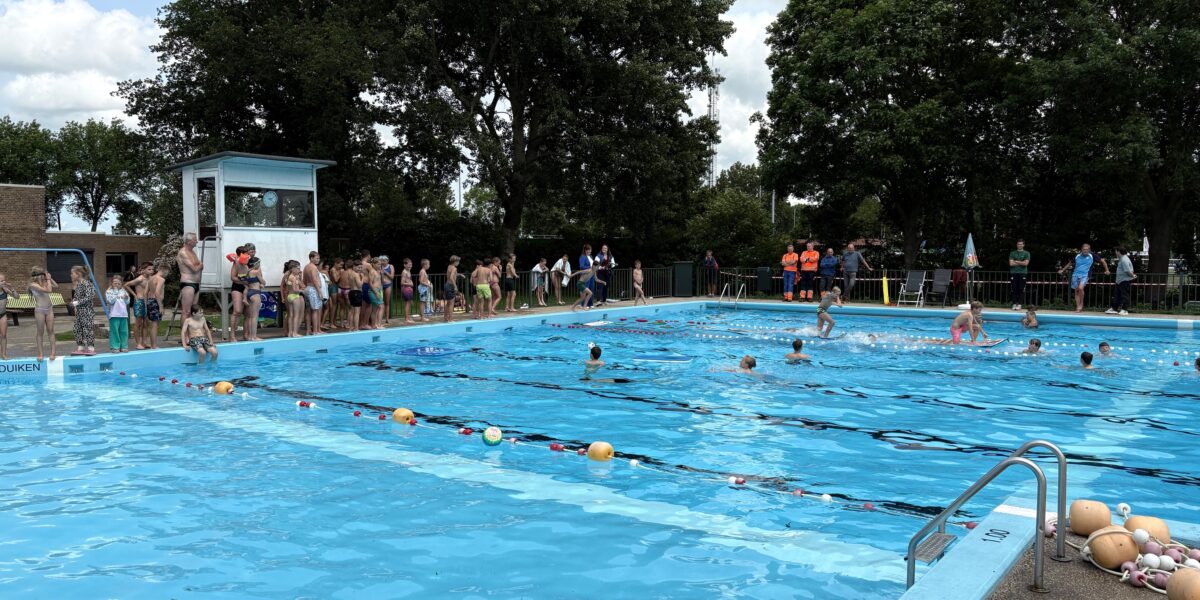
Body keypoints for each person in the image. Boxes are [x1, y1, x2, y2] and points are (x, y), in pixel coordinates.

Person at [1058, 243, 1110, 313]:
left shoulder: (1092, 255)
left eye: (1087, 249)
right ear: (1081, 250)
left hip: (1085, 275)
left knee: (1080, 288)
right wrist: (1063, 270)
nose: (1085, 251)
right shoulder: (1077, 256)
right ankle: (1078, 307)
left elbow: (1103, 261)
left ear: (1089, 250)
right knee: (1076, 291)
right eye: (1084, 249)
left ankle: (1081, 304)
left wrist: (1106, 270)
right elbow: (1070, 263)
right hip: (1075, 274)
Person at [29, 267, 57, 361]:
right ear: (38, 276)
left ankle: (53, 353)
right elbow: (49, 290)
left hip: (49, 309)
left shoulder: (46, 282)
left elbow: (56, 286)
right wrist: (48, 279)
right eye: (43, 275)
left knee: (51, 331)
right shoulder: (33, 285)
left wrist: (50, 278)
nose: (44, 277)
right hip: (40, 310)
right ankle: (40, 353)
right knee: (40, 332)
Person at [68, 265, 97, 355]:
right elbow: (77, 297)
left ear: (78, 274)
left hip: (87, 311)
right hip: (80, 311)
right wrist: (73, 302)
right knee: (77, 329)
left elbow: (90, 296)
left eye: (72, 273)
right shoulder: (79, 284)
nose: (70, 275)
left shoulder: (86, 283)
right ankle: (80, 347)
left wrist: (76, 303)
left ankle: (91, 348)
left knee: (87, 329)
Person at [124, 262, 152, 350]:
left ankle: (144, 342)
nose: (151, 271)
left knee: (146, 324)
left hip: (147, 302)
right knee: (138, 324)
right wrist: (134, 295)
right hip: (139, 301)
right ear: (143, 270)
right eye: (149, 269)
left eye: (152, 269)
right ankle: (138, 343)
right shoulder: (140, 279)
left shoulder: (151, 278)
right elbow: (126, 285)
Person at [177, 232, 203, 322]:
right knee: (186, 311)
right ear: (189, 241)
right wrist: (200, 265)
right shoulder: (183, 253)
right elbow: (194, 269)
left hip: (196, 283)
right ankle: (184, 335)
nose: (196, 241)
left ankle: (191, 333)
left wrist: (199, 266)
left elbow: (198, 265)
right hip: (188, 283)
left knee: (193, 311)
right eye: (195, 240)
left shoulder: (192, 252)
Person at [105, 275, 131, 353]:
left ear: (121, 284)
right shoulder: (109, 291)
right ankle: (115, 346)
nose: (116, 285)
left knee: (124, 331)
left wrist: (127, 298)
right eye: (115, 283)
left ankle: (124, 346)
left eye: (118, 283)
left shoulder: (123, 291)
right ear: (112, 283)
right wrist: (116, 292)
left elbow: (127, 302)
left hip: (123, 314)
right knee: (114, 331)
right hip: (114, 315)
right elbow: (111, 301)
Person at [1107, 246, 1136, 316]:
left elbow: (1128, 271)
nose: (1115, 252)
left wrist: (1133, 276)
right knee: (1118, 295)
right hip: (1120, 281)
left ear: (1118, 251)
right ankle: (1114, 308)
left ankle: (1125, 310)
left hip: (1124, 280)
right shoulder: (1122, 259)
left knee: (1124, 295)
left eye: (1116, 251)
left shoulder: (1124, 260)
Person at [243, 257, 265, 341]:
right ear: (256, 264)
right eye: (259, 263)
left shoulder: (247, 272)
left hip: (249, 292)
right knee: (255, 317)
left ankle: (250, 337)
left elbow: (248, 283)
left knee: (251, 316)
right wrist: (261, 283)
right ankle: (254, 336)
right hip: (255, 293)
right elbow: (263, 282)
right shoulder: (256, 272)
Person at [228, 245, 248, 341]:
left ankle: (246, 334)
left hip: (247, 288)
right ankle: (232, 335)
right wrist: (243, 281)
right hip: (237, 287)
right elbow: (233, 277)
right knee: (237, 311)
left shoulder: (248, 263)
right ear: (241, 254)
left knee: (247, 313)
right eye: (246, 253)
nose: (248, 255)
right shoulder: (236, 263)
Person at [303, 251, 324, 335]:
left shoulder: (306, 267)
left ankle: (308, 330)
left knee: (308, 311)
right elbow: (315, 280)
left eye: (319, 258)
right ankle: (316, 331)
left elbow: (304, 280)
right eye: (317, 258)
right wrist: (319, 292)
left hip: (308, 288)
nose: (318, 260)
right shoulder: (313, 267)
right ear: (311, 258)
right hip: (314, 289)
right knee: (316, 310)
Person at [146, 262, 167, 349]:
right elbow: (157, 292)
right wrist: (161, 306)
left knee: (153, 324)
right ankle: (154, 346)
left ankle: (152, 345)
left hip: (150, 301)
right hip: (156, 302)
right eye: (167, 272)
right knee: (155, 324)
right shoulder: (161, 279)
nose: (167, 274)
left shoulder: (151, 278)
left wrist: (145, 303)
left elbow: (145, 292)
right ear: (164, 270)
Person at [0, 273, 19, 360]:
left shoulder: (5, 290)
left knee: (3, 335)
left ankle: (4, 354)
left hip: (2, 315)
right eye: (1, 281)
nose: (3, 282)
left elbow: (17, 297)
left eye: (4, 280)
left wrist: (11, 288)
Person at [283, 260, 304, 337]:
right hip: (295, 296)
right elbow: (296, 290)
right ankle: (294, 333)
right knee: (296, 315)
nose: (299, 270)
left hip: (289, 296)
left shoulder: (289, 276)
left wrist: (299, 278)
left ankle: (290, 333)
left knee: (290, 315)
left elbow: (301, 285)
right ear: (292, 269)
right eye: (298, 268)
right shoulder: (294, 278)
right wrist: (303, 291)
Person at [1009, 239, 1031, 310]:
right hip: (1014, 273)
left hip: (1023, 273)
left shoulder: (1027, 253)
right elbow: (1011, 264)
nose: (1019, 245)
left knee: (1021, 289)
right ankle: (1014, 303)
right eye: (1018, 244)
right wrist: (1021, 262)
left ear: (1023, 245)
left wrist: (1016, 261)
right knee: (1014, 289)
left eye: (1021, 244)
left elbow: (1026, 264)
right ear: (1016, 245)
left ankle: (1020, 304)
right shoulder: (1012, 253)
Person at [367, 258, 385, 329]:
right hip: (374, 291)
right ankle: (379, 324)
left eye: (380, 264)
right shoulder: (372, 271)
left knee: (375, 309)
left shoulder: (378, 271)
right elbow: (370, 283)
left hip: (379, 290)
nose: (379, 265)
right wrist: (376, 292)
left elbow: (382, 281)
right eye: (378, 264)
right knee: (381, 307)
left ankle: (374, 325)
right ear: (373, 264)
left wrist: (382, 274)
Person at [346, 261, 363, 330]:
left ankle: (350, 328)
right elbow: (359, 285)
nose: (360, 269)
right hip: (356, 293)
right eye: (359, 267)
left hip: (351, 292)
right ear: (354, 267)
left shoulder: (350, 274)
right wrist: (363, 278)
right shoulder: (356, 274)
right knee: (357, 312)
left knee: (351, 311)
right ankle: (356, 328)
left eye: (361, 267)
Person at [444, 256, 460, 323]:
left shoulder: (449, 266)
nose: (458, 263)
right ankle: (450, 319)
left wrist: (460, 275)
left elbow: (451, 275)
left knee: (448, 303)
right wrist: (455, 286)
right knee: (451, 303)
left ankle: (446, 317)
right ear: (455, 262)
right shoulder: (454, 268)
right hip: (451, 286)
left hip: (447, 285)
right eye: (458, 261)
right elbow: (451, 277)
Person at [379, 255, 394, 323]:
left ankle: (387, 318)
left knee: (387, 302)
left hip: (388, 285)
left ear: (387, 260)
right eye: (382, 261)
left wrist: (385, 272)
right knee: (380, 302)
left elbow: (392, 277)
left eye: (384, 260)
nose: (383, 262)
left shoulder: (390, 266)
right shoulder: (379, 266)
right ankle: (380, 318)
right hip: (381, 285)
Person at [400, 258, 416, 324]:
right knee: (407, 304)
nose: (410, 266)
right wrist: (410, 284)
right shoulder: (404, 272)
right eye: (409, 265)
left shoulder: (408, 271)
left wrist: (410, 283)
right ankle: (406, 319)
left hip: (408, 289)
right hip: (406, 289)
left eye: (411, 264)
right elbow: (402, 282)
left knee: (408, 304)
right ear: (404, 265)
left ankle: (408, 317)